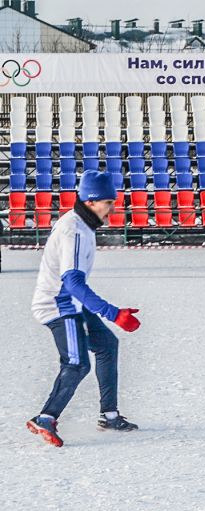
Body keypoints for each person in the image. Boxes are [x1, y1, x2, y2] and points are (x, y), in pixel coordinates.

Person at [27, 170, 142, 447]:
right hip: (59, 305)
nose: (112, 208)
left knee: (106, 345)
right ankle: (45, 417)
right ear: (90, 201)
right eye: (108, 202)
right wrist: (113, 313)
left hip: (72, 300)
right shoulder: (74, 230)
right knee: (77, 363)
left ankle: (109, 415)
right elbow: (73, 282)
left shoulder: (83, 224)